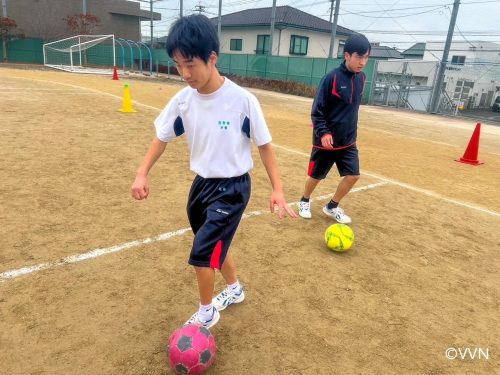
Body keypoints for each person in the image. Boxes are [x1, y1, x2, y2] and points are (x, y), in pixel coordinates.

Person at [130, 15, 296, 329]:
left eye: (190, 64)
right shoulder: (183, 101)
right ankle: (234, 290)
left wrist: (277, 189)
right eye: (178, 65)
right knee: (215, 243)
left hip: (233, 189)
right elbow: (162, 137)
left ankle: (207, 313)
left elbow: (264, 146)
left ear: (212, 58)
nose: (184, 73)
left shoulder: (242, 101)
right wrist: (142, 173)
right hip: (201, 185)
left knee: (203, 252)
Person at [298, 34, 371, 223]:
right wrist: (323, 133)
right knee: (316, 176)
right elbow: (317, 111)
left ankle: (332, 206)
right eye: (359, 57)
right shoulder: (331, 78)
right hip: (326, 141)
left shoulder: (361, 78)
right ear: (347, 55)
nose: (362, 62)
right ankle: (304, 200)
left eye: (366, 57)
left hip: (348, 140)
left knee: (353, 175)